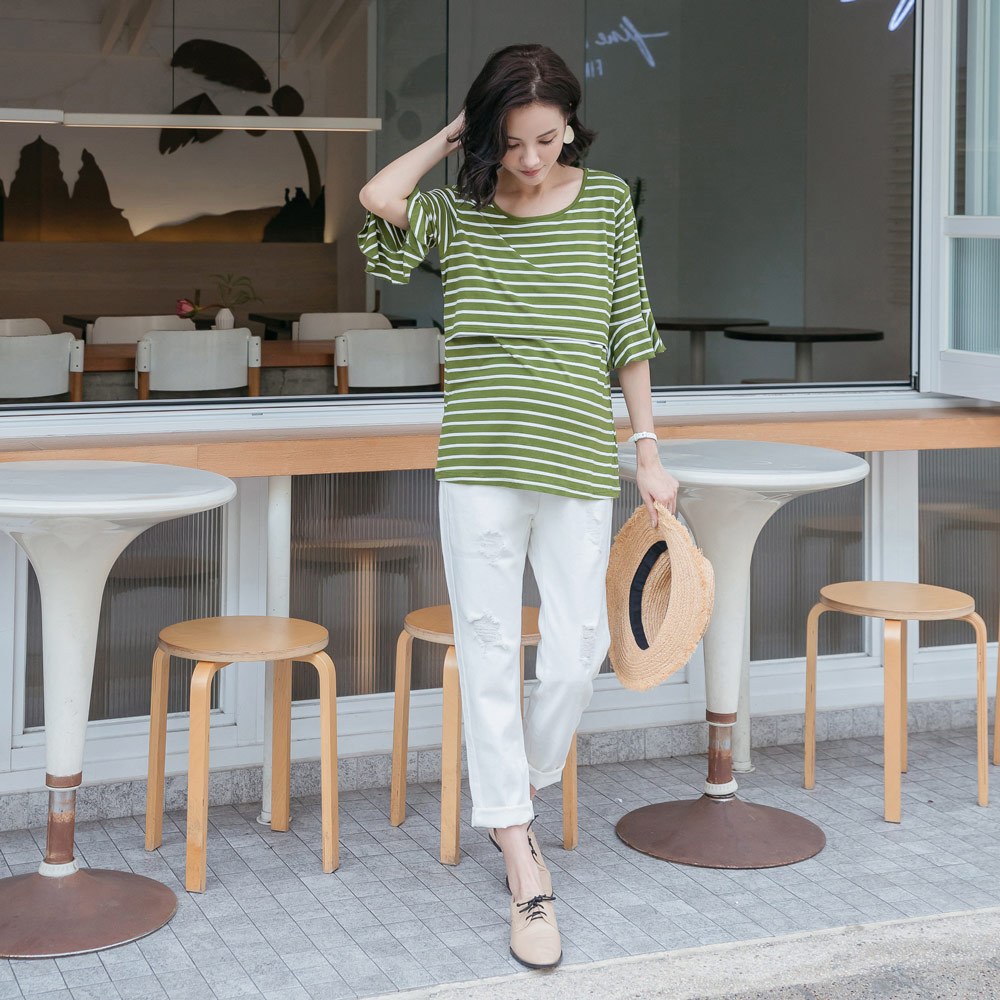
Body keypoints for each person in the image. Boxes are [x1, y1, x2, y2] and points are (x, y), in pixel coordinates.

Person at [358, 43, 678, 970]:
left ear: (571, 124)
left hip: (575, 458)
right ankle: (519, 855)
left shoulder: (605, 203)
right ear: (486, 136)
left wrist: (648, 448)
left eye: (545, 137)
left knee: (578, 649)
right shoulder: (460, 209)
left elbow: (629, 331)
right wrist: (451, 136)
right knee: (492, 646)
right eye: (510, 141)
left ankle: (518, 790)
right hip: (480, 463)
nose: (530, 158)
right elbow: (379, 198)